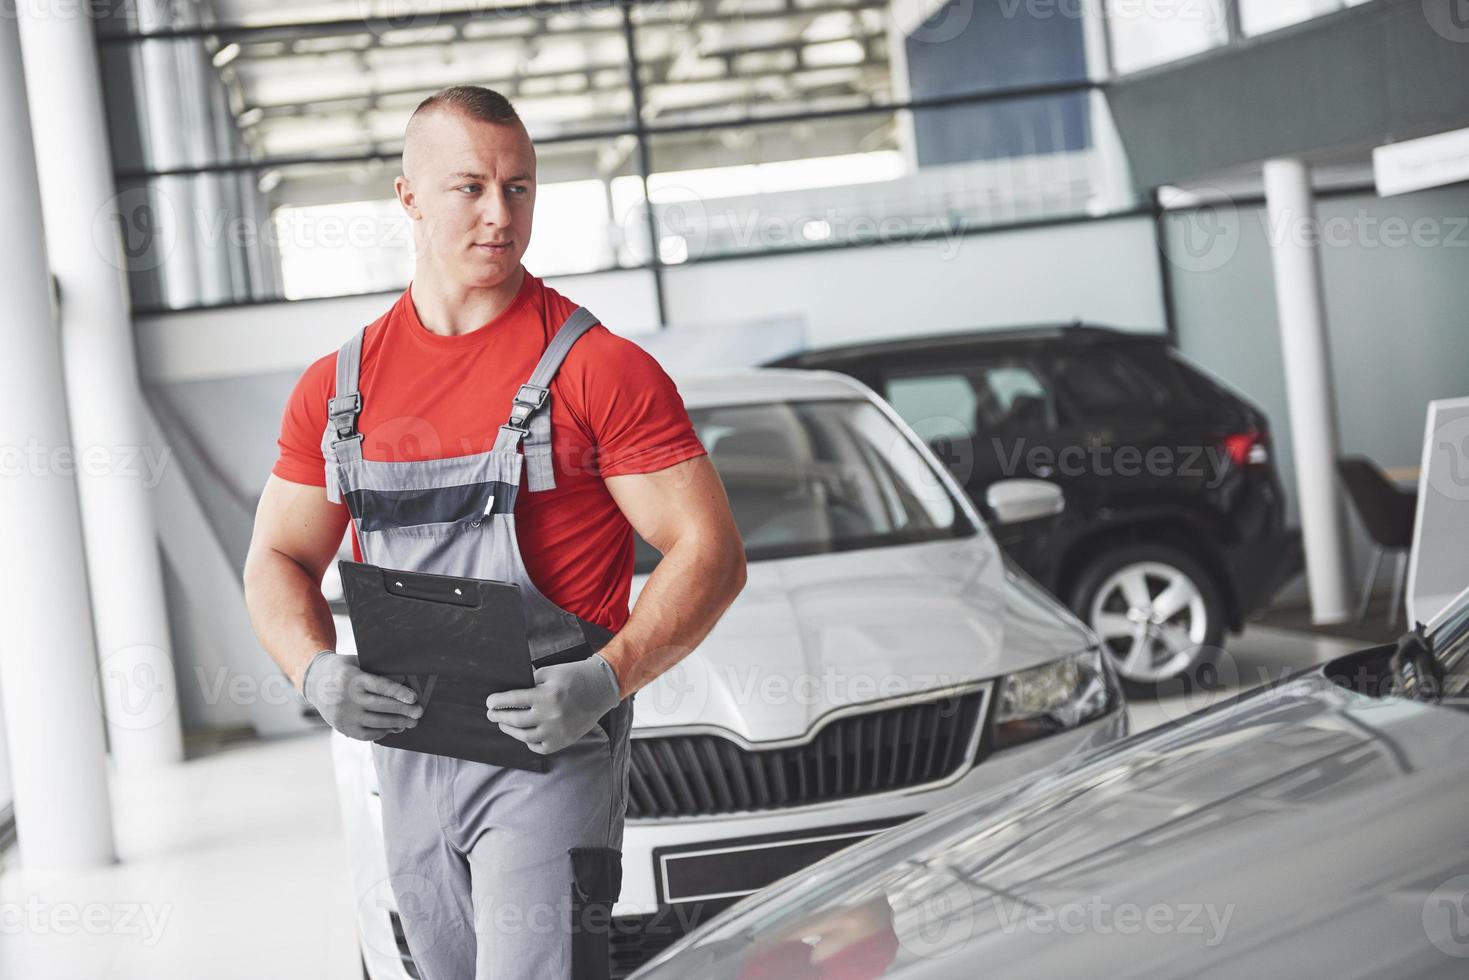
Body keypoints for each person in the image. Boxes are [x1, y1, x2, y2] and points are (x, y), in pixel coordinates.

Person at [242, 84, 747, 980]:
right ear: (408, 196)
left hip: (547, 755)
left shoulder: (599, 369)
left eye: (518, 189)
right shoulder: (337, 389)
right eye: (469, 187)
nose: (498, 215)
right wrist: (314, 671)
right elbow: (277, 556)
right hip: (407, 761)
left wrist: (605, 678)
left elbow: (710, 551)